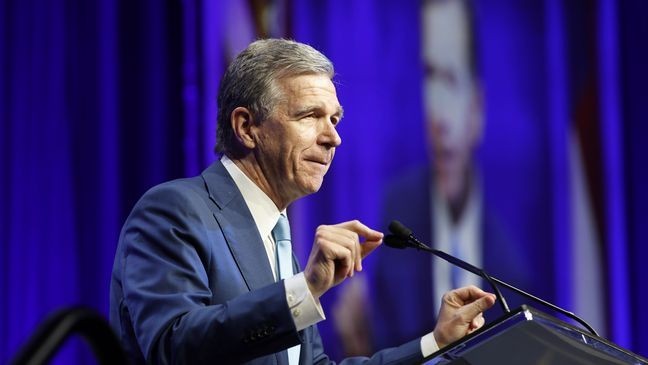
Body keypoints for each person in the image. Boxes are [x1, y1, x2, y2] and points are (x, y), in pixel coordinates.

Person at [109, 38, 496, 364]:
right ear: (247, 127)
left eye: (335, 120)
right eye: (311, 116)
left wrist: (436, 344)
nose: (333, 138)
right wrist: (305, 289)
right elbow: (171, 345)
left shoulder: (277, 240)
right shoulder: (174, 211)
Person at [334, 0, 532, 355]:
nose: (438, 114)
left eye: (450, 79)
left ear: (477, 105)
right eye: (428, 78)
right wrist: (357, 345)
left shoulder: (518, 235)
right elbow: (385, 343)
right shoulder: (398, 213)